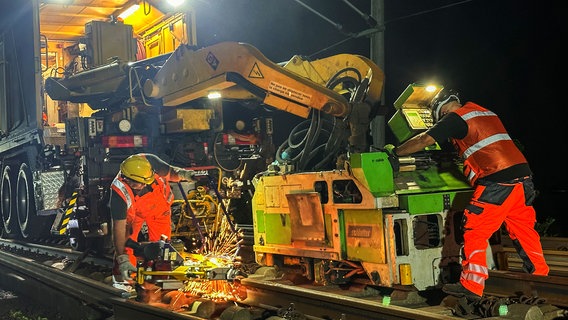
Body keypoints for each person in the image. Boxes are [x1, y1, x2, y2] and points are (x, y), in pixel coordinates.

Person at [386, 89, 549, 299]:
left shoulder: (456, 117)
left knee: (475, 229)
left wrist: (395, 153)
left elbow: (424, 140)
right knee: (524, 231)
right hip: (523, 178)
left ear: (440, 110)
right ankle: (541, 279)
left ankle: (472, 285)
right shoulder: (484, 113)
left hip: (498, 181)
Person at [110, 153, 195, 284]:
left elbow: (170, 172)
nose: (145, 186)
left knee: (163, 248)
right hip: (134, 216)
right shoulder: (119, 193)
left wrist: (184, 174)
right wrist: (122, 259)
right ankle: (124, 281)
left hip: (160, 212)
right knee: (127, 246)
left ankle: (160, 282)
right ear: (128, 181)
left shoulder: (149, 162)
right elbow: (119, 228)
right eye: (141, 184)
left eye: (148, 182)